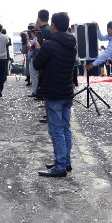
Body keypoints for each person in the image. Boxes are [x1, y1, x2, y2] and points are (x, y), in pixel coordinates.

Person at [33, 12, 77, 177]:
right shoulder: (72, 44)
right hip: (67, 91)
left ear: (53, 26)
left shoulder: (49, 45)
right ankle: (65, 161)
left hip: (54, 93)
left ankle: (59, 167)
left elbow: (37, 65)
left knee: (56, 130)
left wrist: (38, 48)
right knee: (66, 128)